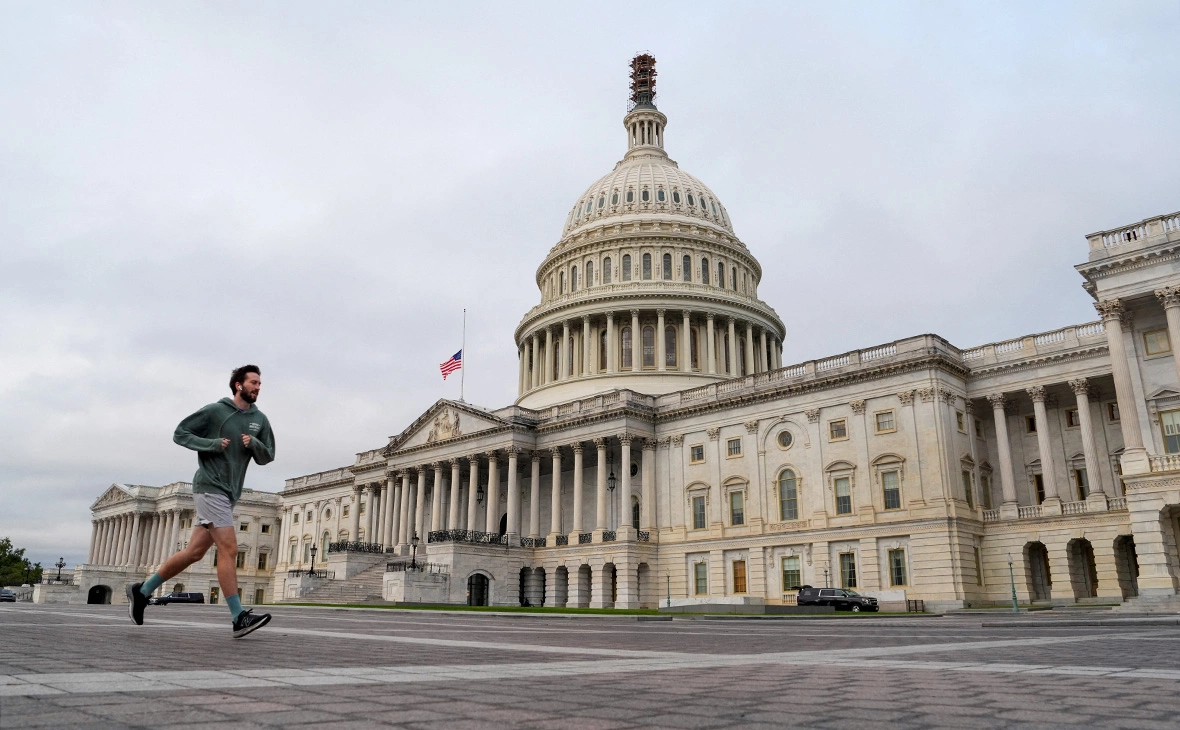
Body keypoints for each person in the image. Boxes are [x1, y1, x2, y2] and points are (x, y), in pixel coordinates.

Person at [127, 364, 276, 638]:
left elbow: (268, 456)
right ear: (238, 385)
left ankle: (142, 591)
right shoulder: (214, 411)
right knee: (229, 549)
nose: (257, 387)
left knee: (194, 552)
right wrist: (211, 444)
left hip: (230, 492)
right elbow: (180, 433)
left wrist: (253, 443)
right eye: (253, 382)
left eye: (259, 384)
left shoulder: (260, 419)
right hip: (210, 486)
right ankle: (238, 616)